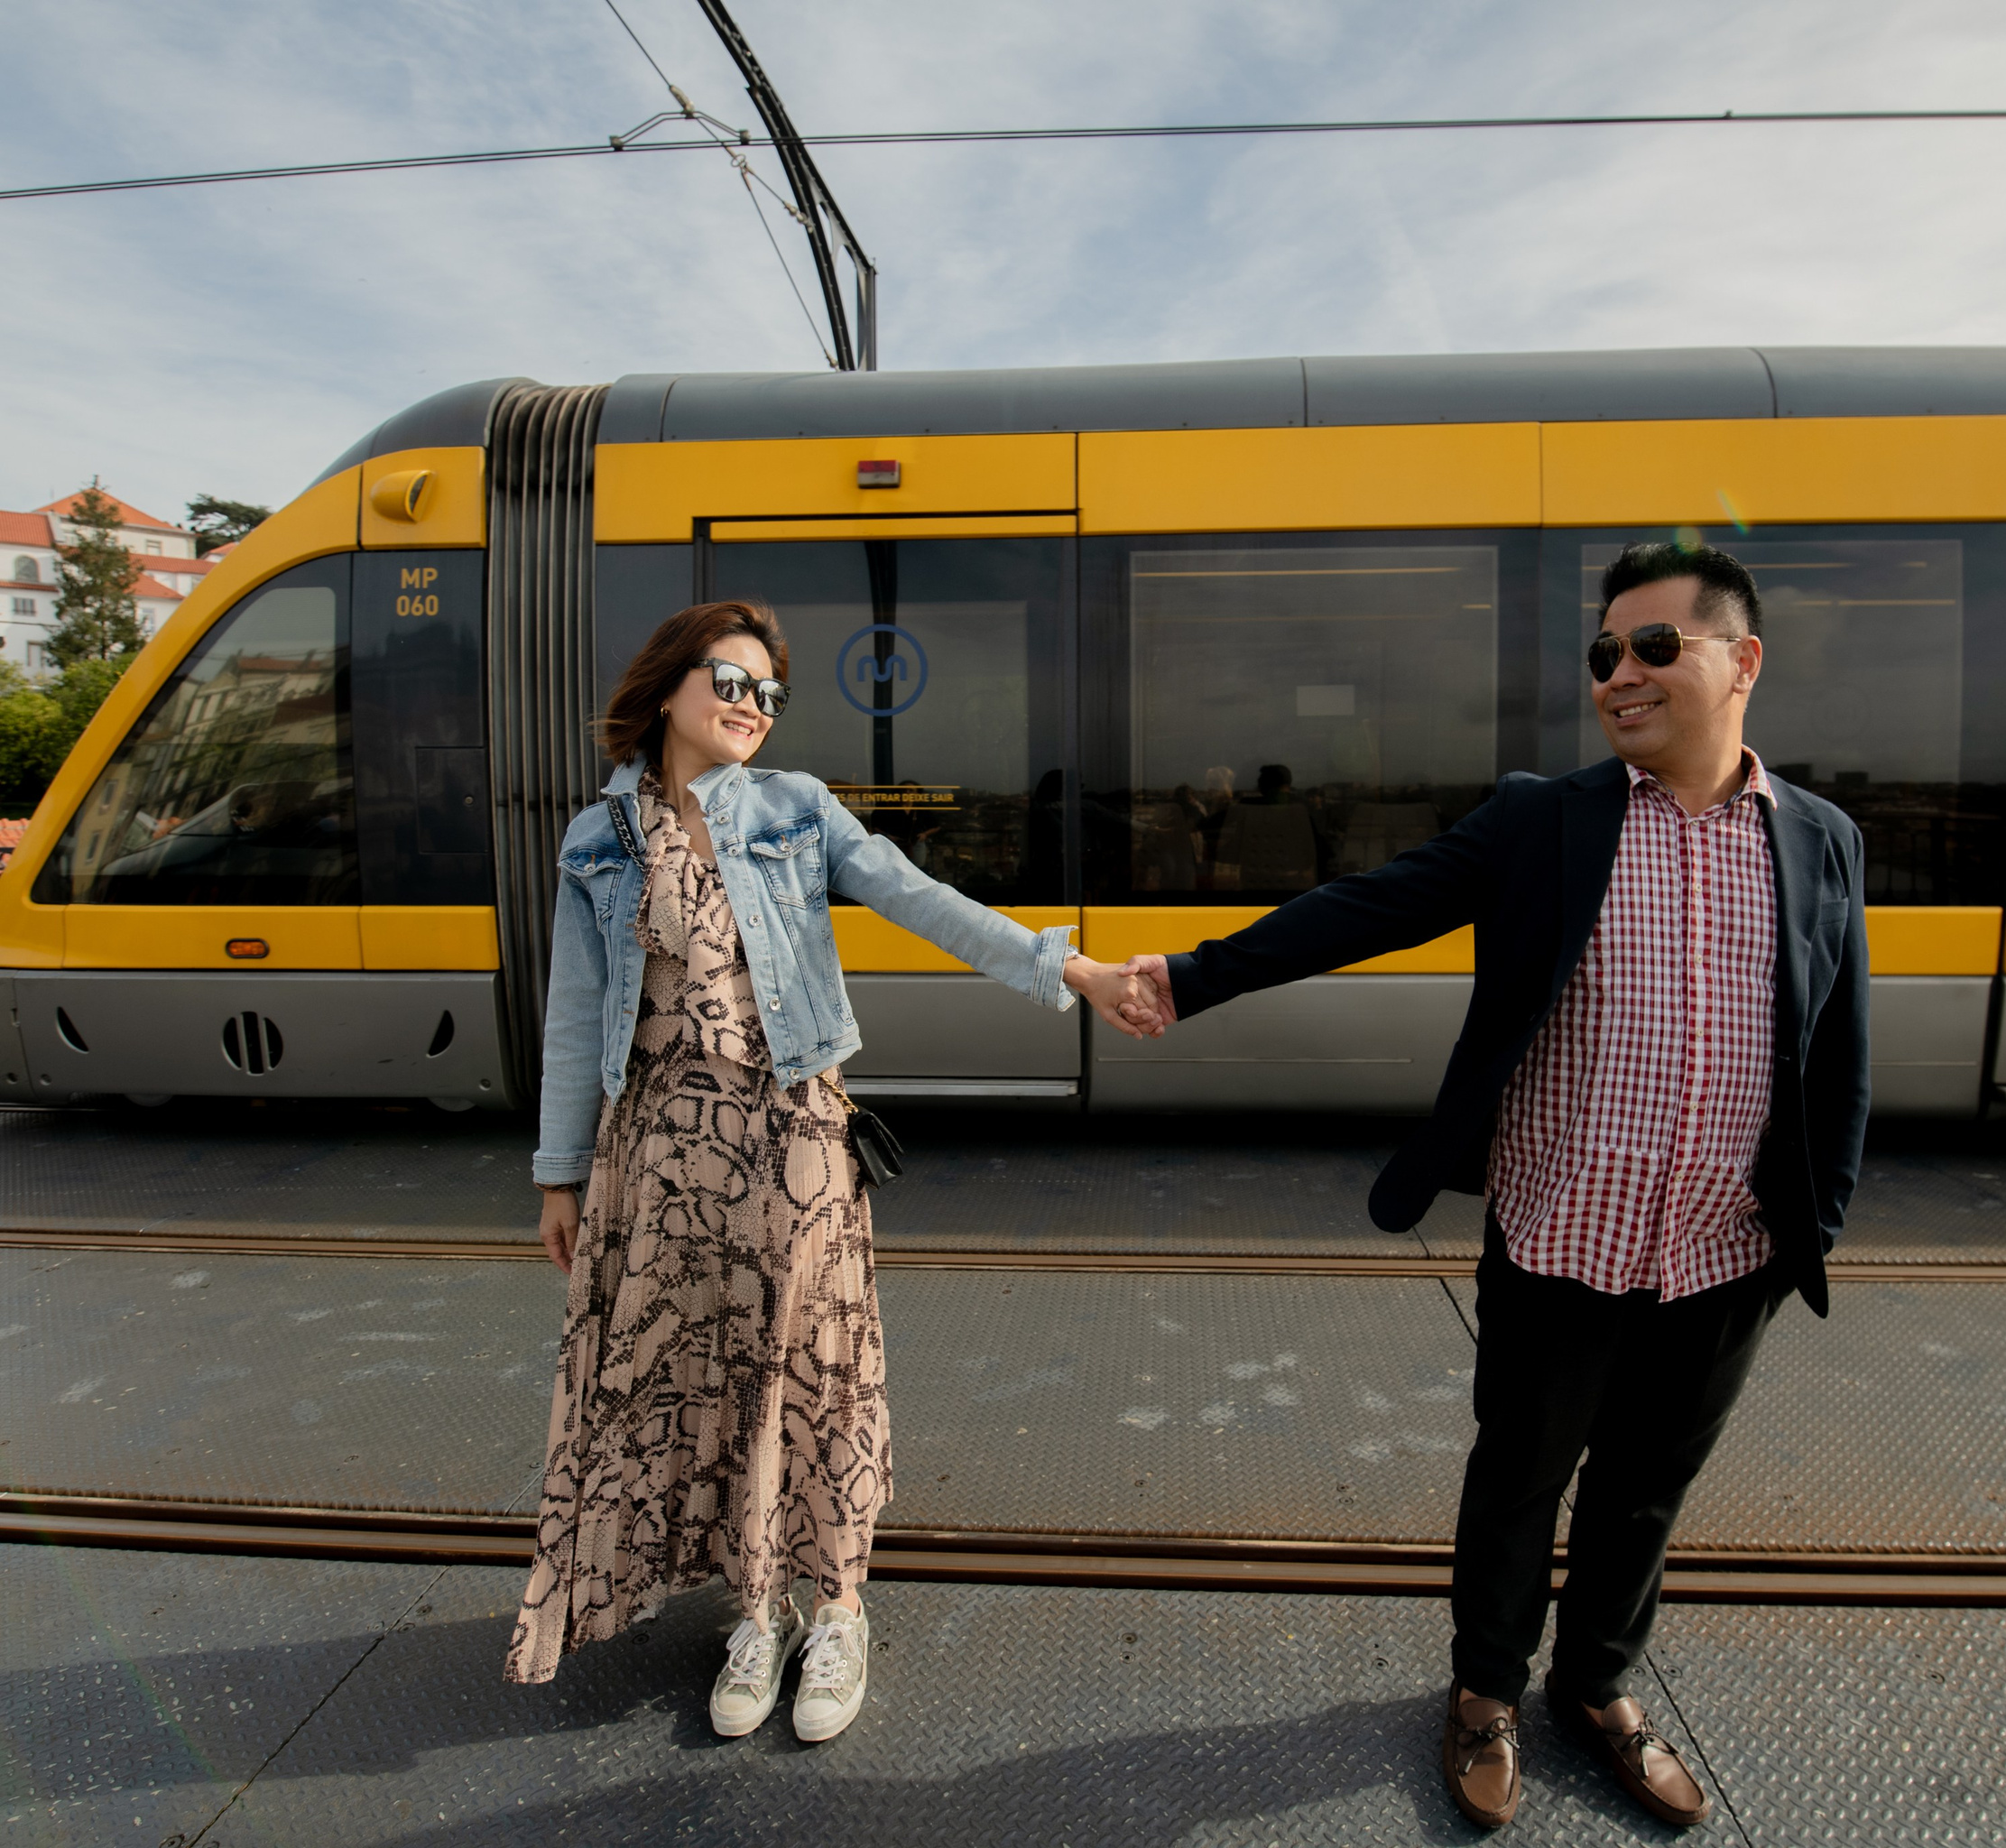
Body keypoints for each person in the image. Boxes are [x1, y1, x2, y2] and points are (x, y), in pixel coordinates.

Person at [1117, 542, 1868, 1830]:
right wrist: (1188, 978)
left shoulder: (1820, 841)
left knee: (1645, 1490)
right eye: (1601, 654)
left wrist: (1816, 1215)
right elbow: (1369, 905)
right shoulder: (1546, 820)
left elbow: (1839, 1044)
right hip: (1562, 1231)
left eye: (1651, 648)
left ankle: (1598, 1687)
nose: (1616, 675)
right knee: (1522, 1476)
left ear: (1741, 663)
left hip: (1722, 1248)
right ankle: (1485, 1693)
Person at [504, 599, 1148, 1742]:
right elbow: (575, 1016)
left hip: (791, 1137)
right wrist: (560, 1173)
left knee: (812, 1371)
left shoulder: (797, 810)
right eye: (731, 680)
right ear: (667, 687)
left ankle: (838, 1608)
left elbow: (920, 898)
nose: (752, 705)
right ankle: (756, 1607)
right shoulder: (598, 839)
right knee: (708, 1380)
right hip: (657, 1158)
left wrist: (1073, 970)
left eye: (767, 692)